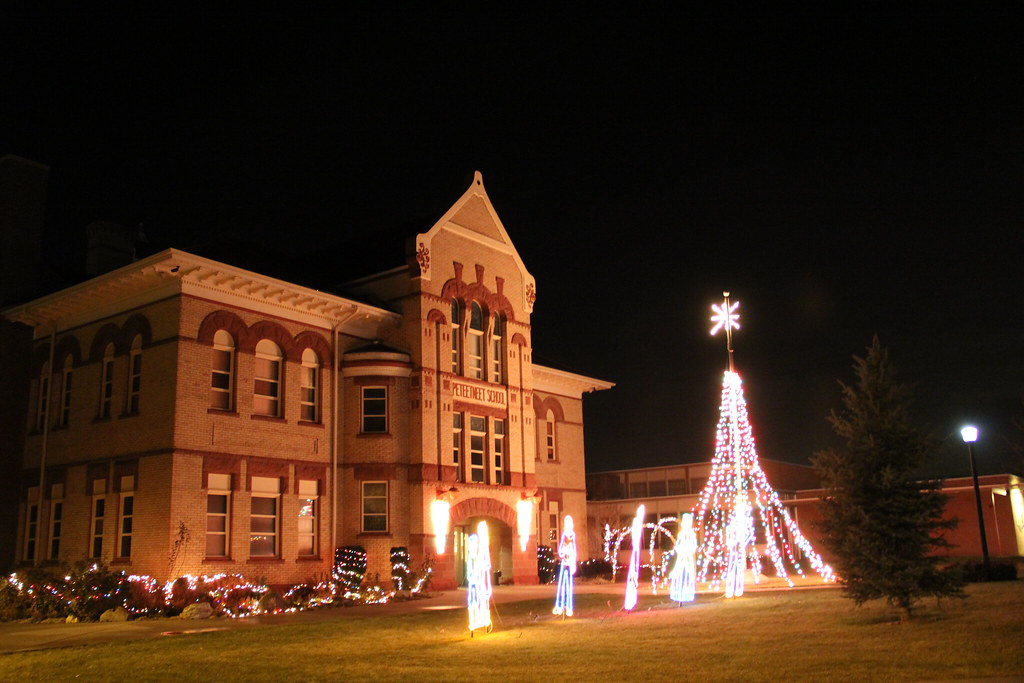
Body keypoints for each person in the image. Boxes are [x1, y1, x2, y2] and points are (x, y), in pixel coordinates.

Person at [724, 496, 754, 599]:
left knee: (739, 568)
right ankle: (729, 589)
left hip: (740, 546)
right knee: (731, 568)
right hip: (733, 546)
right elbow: (728, 531)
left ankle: (738, 589)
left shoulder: (746, 521)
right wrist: (729, 540)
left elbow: (750, 533)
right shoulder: (734, 521)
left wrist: (743, 542)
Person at [669, 512, 697, 603]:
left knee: (688, 573)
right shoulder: (681, 534)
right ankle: (678, 594)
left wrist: (688, 549)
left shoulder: (692, 534)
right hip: (681, 557)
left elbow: (694, 546)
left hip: (688, 557)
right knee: (679, 572)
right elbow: (678, 545)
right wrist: (679, 549)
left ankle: (688, 593)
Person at [553, 515, 577, 616]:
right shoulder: (564, 535)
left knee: (569, 585)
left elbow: (574, 548)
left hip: (570, 562)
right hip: (564, 563)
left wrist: (573, 562)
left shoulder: (572, 535)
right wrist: (562, 552)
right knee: (561, 584)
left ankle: (569, 607)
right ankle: (559, 606)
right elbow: (560, 549)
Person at [624, 504, 645, 610]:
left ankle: (631, 600)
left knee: (634, 573)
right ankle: (630, 601)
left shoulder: (639, 524)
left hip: (636, 551)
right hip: (635, 552)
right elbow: (635, 538)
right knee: (633, 573)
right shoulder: (637, 523)